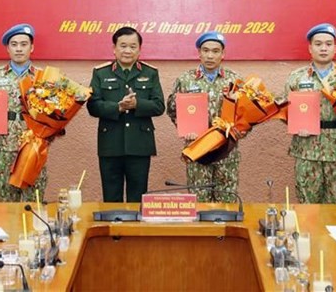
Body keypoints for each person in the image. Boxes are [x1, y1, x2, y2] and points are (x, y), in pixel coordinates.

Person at [87, 27, 165, 202]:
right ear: (114, 48)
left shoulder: (150, 73)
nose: (127, 51)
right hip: (110, 145)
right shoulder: (101, 73)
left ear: (139, 49)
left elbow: (159, 106)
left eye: (132, 46)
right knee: (111, 197)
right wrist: (118, 108)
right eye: (123, 46)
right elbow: (93, 106)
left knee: (138, 198)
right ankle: (113, 229)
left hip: (140, 145)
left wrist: (138, 104)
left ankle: (135, 231)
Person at [166, 31, 242, 203]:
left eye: (215, 51)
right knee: (199, 201)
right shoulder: (185, 80)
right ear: (199, 53)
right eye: (205, 50)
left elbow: (245, 114)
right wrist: (185, 129)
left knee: (227, 201)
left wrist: (237, 131)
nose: (210, 55)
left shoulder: (234, 80)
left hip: (226, 150)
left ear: (223, 54)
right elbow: (172, 109)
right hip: (198, 148)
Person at [283, 23, 336, 204]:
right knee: (308, 205)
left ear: (335, 48)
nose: (323, 48)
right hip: (306, 148)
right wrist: (297, 126)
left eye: (328, 44)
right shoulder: (296, 78)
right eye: (318, 44)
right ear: (310, 48)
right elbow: (285, 111)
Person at [0, 23, 46, 202]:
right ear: (8, 48)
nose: (19, 49)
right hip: (4, 145)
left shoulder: (42, 77)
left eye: (24, 44)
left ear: (32, 47)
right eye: (14, 44)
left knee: (33, 201)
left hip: (33, 146)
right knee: (6, 201)